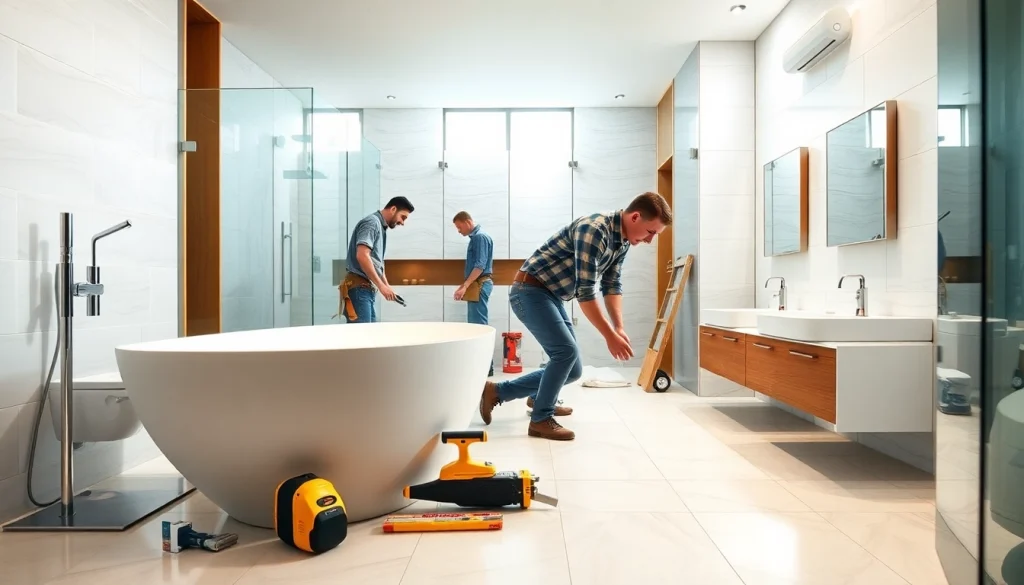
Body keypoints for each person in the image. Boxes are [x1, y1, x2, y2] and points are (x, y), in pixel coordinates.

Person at [478, 192, 672, 441]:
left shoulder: (622, 242)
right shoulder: (595, 230)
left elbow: (612, 285)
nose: (650, 240)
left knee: (573, 369)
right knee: (565, 353)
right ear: (635, 217)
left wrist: (619, 327)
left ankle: (504, 392)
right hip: (529, 291)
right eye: (651, 232)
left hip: (550, 295)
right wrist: (609, 336)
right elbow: (586, 291)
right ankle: (541, 419)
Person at [337, 197, 415, 323]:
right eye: (403, 217)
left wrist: (387, 286)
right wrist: (381, 286)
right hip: (359, 290)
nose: (402, 222)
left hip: (364, 290)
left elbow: (376, 263)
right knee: (363, 339)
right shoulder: (372, 223)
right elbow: (362, 255)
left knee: (370, 336)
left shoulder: (380, 226)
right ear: (393, 209)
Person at [452, 211, 496, 376]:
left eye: (459, 226)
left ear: (467, 221)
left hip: (479, 283)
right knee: (476, 325)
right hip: (478, 284)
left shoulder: (479, 237)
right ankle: (483, 365)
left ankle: (485, 367)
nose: (459, 231)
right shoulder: (480, 237)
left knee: (479, 327)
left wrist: (465, 285)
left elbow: (479, 265)